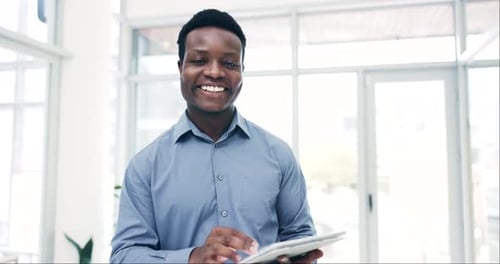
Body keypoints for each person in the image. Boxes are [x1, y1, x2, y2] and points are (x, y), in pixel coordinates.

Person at [110, 8, 322, 264]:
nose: (215, 72)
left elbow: (300, 236)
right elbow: (125, 256)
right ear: (181, 68)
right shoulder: (145, 166)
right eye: (199, 60)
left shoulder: (278, 155)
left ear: (242, 71)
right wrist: (191, 258)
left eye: (229, 63)